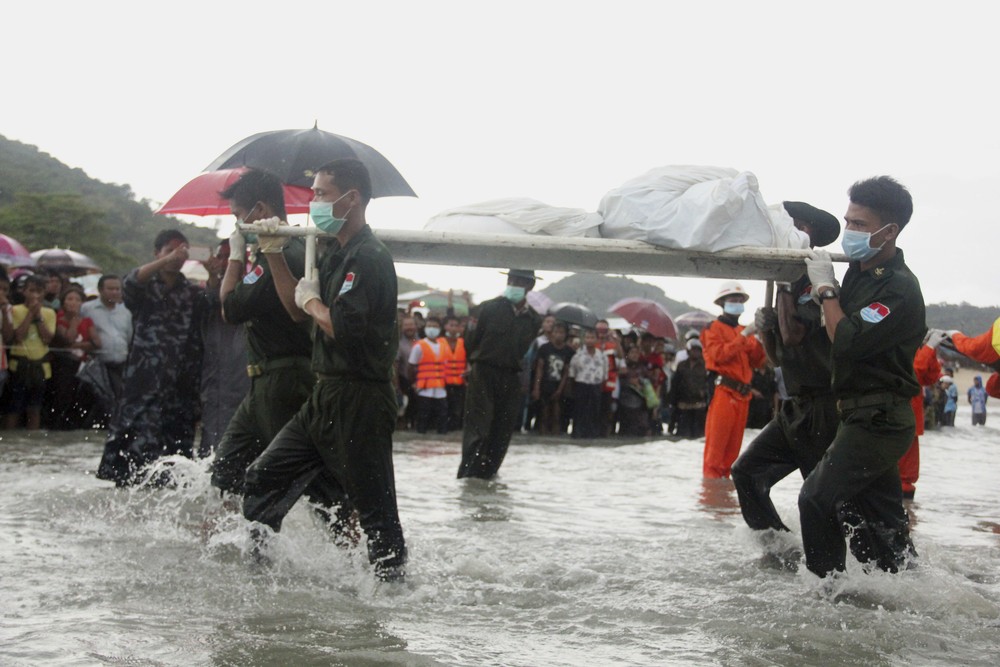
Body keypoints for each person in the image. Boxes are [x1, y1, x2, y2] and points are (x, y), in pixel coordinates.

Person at [241, 158, 406, 581]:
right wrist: (274, 251)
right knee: (262, 478)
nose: (312, 202)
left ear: (351, 199)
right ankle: (260, 576)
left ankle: (393, 599)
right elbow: (299, 313)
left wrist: (312, 302)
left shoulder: (368, 257)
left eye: (320, 194)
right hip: (324, 394)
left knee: (376, 513)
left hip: (360, 397)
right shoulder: (335, 253)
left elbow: (341, 329)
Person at [798, 175, 924, 577]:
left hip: (880, 420)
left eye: (859, 225)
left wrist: (826, 291)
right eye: (848, 221)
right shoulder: (858, 273)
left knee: (815, 500)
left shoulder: (899, 288)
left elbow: (846, 340)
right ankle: (907, 593)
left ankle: (826, 598)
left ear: (890, 232)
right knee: (883, 531)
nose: (849, 231)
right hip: (861, 414)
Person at [730, 201, 842, 535]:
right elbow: (776, 358)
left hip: (825, 406)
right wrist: (764, 327)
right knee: (746, 472)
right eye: (788, 224)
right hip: (795, 407)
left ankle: (849, 573)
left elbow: (793, 335)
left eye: (801, 226)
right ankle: (776, 548)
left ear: (813, 236)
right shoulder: (784, 283)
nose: (792, 230)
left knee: (821, 498)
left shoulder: (816, 282)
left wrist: (780, 288)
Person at [209, 168, 318, 504]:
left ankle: (346, 546)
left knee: (302, 481)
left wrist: (235, 256)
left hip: (283, 382)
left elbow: (229, 308)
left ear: (259, 210)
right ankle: (226, 549)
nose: (237, 226)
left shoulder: (283, 253)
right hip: (263, 383)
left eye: (239, 217)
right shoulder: (289, 248)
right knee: (224, 474)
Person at [97, 230, 207, 486]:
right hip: (143, 384)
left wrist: (211, 271)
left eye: (182, 251)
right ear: (156, 253)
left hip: (180, 387)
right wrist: (165, 261)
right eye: (169, 250)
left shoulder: (191, 291)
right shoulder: (145, 288)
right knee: (132, 456)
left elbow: (213, 303)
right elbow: (131, 281)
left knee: (176, 462)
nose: (176, 256)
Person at [458, 268, 542, 479]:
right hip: (483, 371)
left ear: (530, 286)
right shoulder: (487, 309)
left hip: (511, 375)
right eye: (511, 279)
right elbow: (470, 342)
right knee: (478, 428)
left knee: (502, 432)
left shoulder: (533, 319)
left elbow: (523, 349)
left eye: (520, 281)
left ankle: (489, 476)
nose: (514, 284)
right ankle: (469, 477)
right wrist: (479, 361)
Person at [701, 281, 767, 478]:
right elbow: (719, 355)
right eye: (733, 299)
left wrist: (762, 337)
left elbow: (758, 361)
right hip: (723, 391)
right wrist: (745, 335)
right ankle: (711, 497)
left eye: (740, 300)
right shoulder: (712, 328)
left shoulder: (743, 330)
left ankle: (723, 501)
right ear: (722, 302)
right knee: (715, 454)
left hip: (742, 395)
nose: (737, 303)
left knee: (731, 455)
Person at [199, 240, 250, 456]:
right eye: (221, 256)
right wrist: (213, 278)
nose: (225, 262)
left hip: (248, 374)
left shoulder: (254, 285)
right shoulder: (211, 291)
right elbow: (209, 302)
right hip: (217, 377)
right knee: (214, 440)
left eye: (231, 256)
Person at [3, 275, 56, 430]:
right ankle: (11, 439)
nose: (35, 295)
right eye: (31, 291)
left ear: (44, 293)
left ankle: (33, 439)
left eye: (39, 292)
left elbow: (47, 338)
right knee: (14, 408)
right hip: (18, 365)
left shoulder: (49, 313)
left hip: (41, 367)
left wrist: (38, 316)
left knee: (35, 408)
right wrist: (30, 314)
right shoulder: (14, 310)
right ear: (24, 291)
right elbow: (18, 336)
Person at [47, 284, 101, 429]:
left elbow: (96, 342)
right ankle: (56, 425)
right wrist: (74, 321)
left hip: (82, 366)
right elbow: (68, 338)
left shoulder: (87, 320)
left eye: (77, 299)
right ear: (63, 301)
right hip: (63, 365)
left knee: (79, 398)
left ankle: (73, 425)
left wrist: (79, 345)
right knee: (61, 396)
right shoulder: (59, 319)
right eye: (70, 299)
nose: (73, 302)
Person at [81, 275, 133, 425]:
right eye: (110, 289)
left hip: (121, 363)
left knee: (119, 398)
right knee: (98, 400)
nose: (115, 292)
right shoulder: (87, 309)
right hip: (98, 365)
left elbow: (129, 337)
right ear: (100, 290)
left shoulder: (126, 311)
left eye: (117, 289)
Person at [898, 338, 943, 498]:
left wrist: (931, 349)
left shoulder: (916, 350)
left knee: (907, 474)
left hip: (912, 417)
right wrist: (929, 347)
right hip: (899, 417)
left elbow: (930, 377)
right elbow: (914, 372)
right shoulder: (898, 347)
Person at [407, 314, 449, 434]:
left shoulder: (443, 345)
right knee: (423, 416)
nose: (432, 329)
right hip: (424, 388)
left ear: (439, 329)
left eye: (435, 326)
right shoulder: (419, 346)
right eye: (429, 326)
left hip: (440, 388)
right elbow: (411, 366)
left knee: (443, 416)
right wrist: (413, 383)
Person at [941, 318, 1000, 399]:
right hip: (992, 348)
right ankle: (954, 335)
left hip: (992, 351)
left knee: (972, 348)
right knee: (972, 348)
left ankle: (954, 335)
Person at [532, 321, 574, 435]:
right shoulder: (544, 348)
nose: (559, 335)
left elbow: (566, 372)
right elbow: (539, 369)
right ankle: (542, 436)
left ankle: (556, 436)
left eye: (561, 332)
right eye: (556, 332)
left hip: (560, 385)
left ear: (566, 335)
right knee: (543, 413)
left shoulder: (568, 351)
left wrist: (560, 389)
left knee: (557, 414)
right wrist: (536, 387)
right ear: (552, 333)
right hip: (545, 384)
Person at [568, 328, 608, 439]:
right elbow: (572, 373)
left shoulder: (602, 356)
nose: (589, 340)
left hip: (595, 386)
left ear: (596, 339)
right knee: (580, 411)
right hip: (581, 385)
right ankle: (577, 434)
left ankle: (592, 435)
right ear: (584, 339)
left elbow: (605, 374)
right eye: (587, 337)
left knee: (594, 411)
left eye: (592, 338)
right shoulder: (578, 355)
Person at [668, 338, 708, 438]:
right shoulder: (681, 365)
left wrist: (704, 393)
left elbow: (708, 383)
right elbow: (675, 384)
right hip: (683, 405)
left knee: (698, 435)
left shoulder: (705, 366)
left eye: (697, 350)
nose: (695, 353)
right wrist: (673, 401)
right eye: (693, 350)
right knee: (682, 434)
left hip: (699, 406)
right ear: (688, 351)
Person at [594, 320, 622, 435]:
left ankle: (604, 434)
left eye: (604, 330)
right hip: (594, 382)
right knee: (594, 409)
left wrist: (617, 341)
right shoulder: (592, 343)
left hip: (608, 383)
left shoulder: (612, 344)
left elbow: (620, 356)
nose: (601, 333)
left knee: (606, 409)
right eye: (599, 330)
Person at [442, 314, 467, 431]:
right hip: (442, 383)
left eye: (456, 325)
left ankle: (454, 431)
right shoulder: (439, 342)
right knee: (443, 410)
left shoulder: (464, 343)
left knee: (457, 411)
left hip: (459, 383)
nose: (453, 328)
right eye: (451, 325)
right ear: (445, 326)